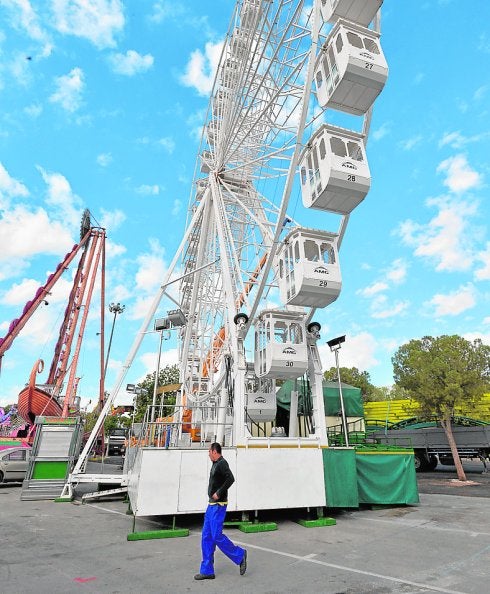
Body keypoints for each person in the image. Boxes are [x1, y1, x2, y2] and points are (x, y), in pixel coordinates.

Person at [194, 442, 247, 580]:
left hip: (219, 505)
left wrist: (219, 492)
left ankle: (239, 555)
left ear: (214, 451)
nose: (208, 454)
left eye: (209, 452)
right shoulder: (215, 463)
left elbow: (231, 478)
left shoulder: (222, 463)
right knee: (206, 537)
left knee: (216, 535)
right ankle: (207, 570)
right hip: (211, 506)